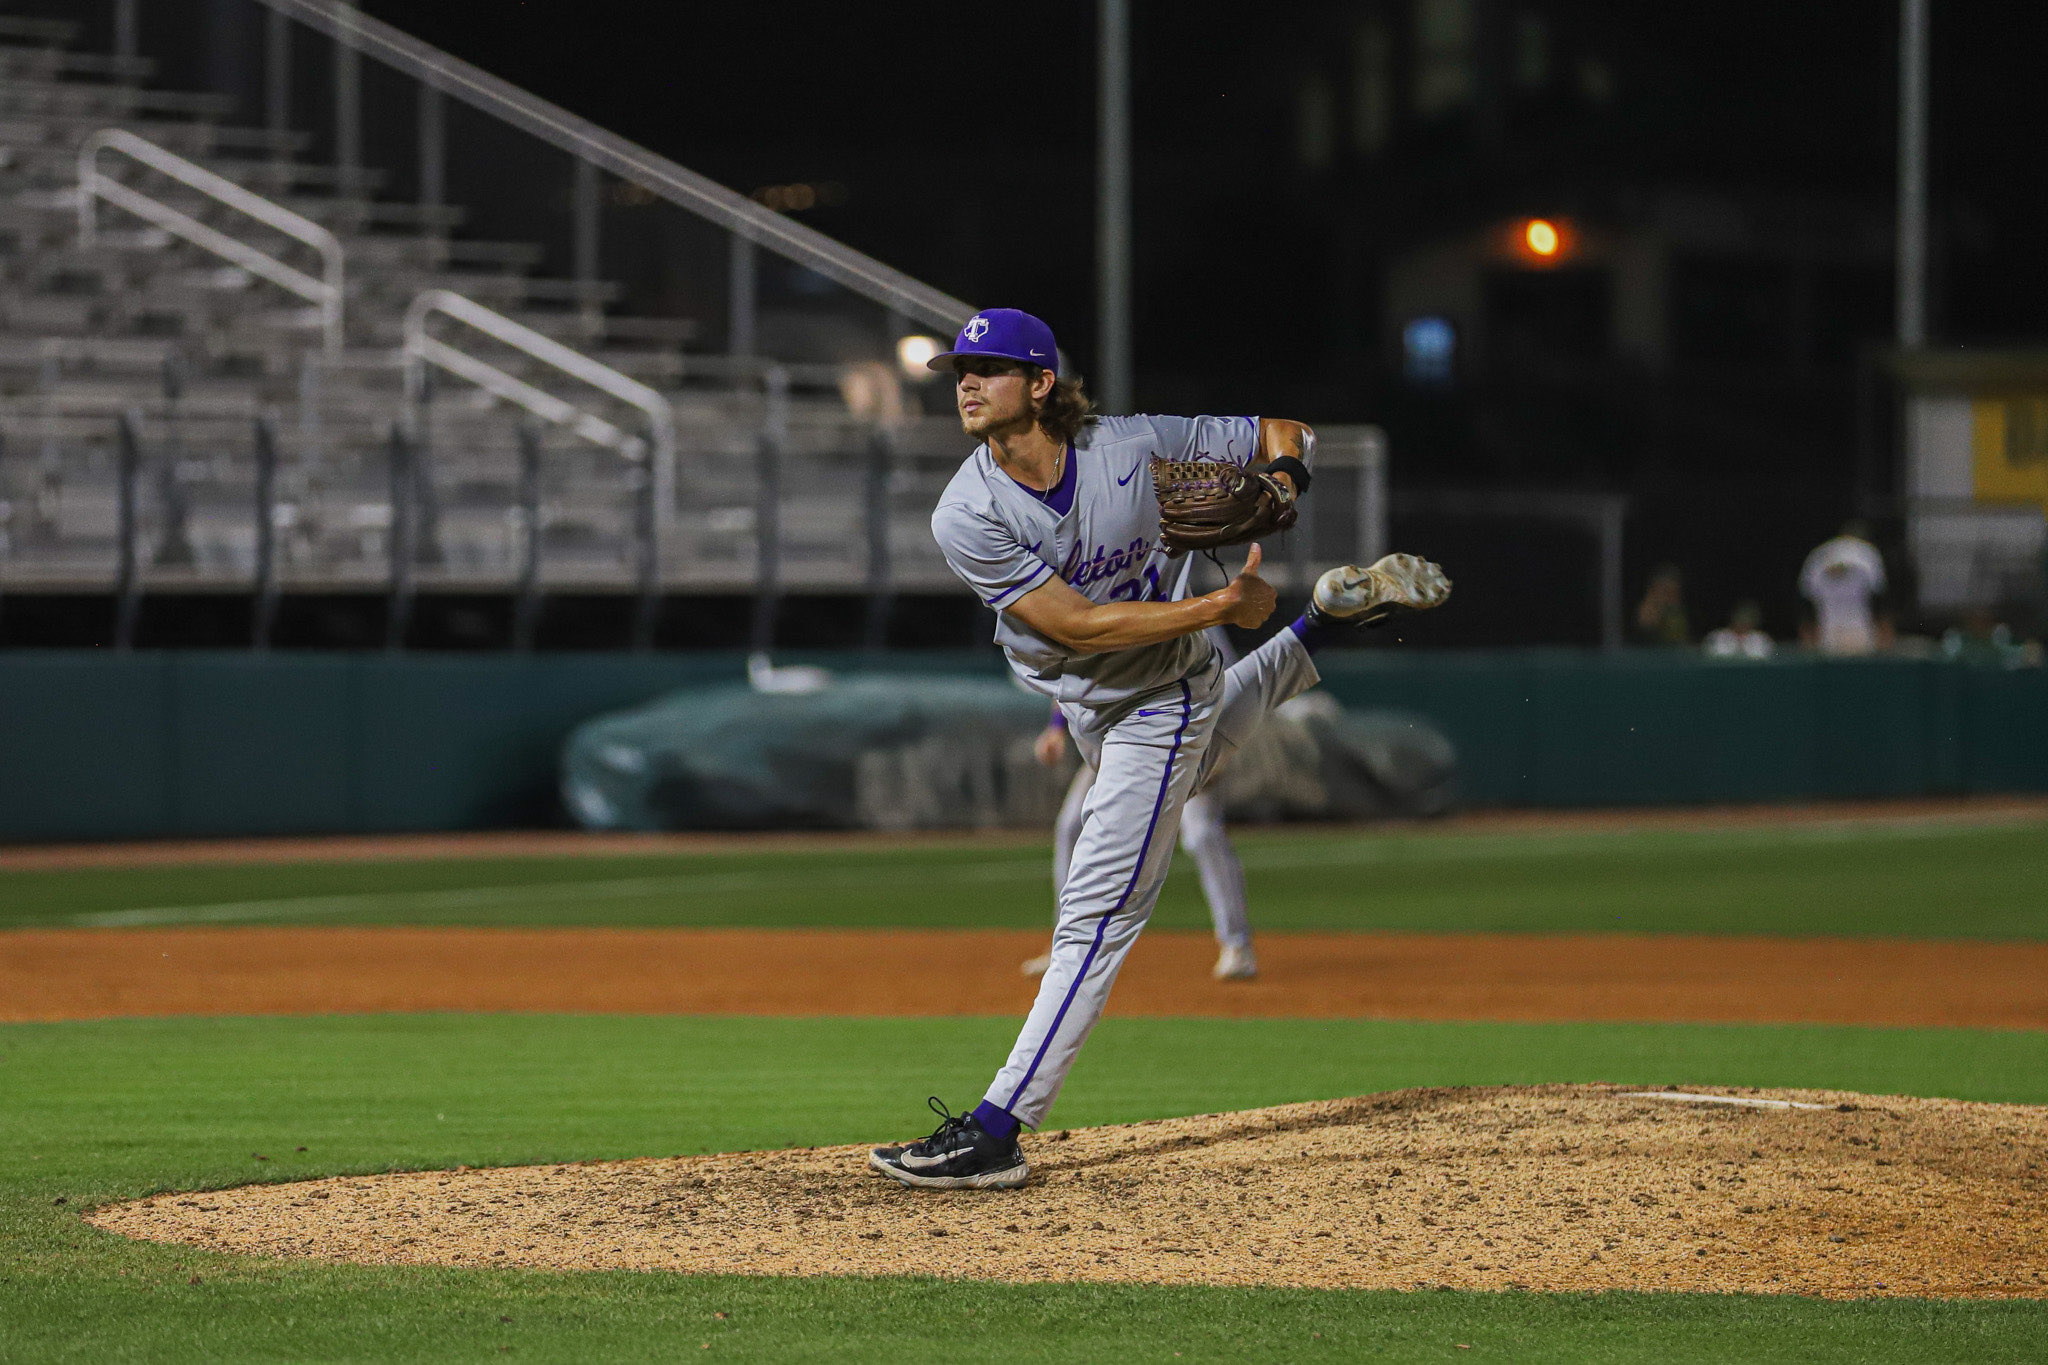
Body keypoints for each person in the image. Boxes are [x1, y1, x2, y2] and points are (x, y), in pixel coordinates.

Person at [867, 308, 1450, 1191]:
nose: (967, 383)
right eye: (961, 368)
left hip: (1162, 693)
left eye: (990, 367)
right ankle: (1321, 624)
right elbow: (1076, 623)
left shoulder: (1129, 444)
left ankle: (995, 1131)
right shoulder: (967, 510)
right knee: (1204, 762)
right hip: (1100, 694)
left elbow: (1283, 432)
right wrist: (1222, 609)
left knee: (1095, 918)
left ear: (1041, 384)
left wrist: (1286, 478)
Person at [1025, 623, 1257, 985]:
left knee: (1200, 834)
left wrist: (1218, 751)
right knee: (1071, 825)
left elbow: (1231, 680)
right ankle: (1065, 947)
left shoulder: (1193, 611)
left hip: (1187, 740)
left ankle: (1237, 945)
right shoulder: (1106, 601)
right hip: (1117, 744)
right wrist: (1056, 726)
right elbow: (1070, 673)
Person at [1799, 522, 1887, 656]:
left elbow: (1806, 599)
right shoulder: (1867, 554)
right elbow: (1880, 598)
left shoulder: (1819, 554)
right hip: (1837, 631)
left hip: (1850, 630)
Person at [1633, 564, 1690, 645]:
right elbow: (1646, 622)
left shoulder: (1676, 614)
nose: (1671, 597)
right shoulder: (1647, 610)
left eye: (1675, 592)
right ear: (1652, 591)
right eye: (1666, 591)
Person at [1703, 600, 1774, 659]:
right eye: (1740, 618)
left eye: (1747, 619)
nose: (1743, 623)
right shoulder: (1716, 637)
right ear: (1733, 619)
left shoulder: (1762, 639)